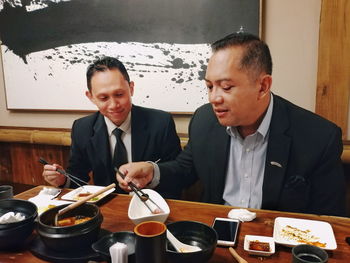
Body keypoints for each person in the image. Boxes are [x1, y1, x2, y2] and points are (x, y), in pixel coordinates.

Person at [117, 33, 346, 216]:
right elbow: (185, 169)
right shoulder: (205, 120)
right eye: (209, 86)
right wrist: (152, 172)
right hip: (216, 237)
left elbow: (329, 219)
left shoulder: (319, 137)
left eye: (226, 87)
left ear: (263, 86)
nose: (214, 98)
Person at [42, 56, 182, 196]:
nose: (114, 105)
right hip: (106, 208)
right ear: (91, 97)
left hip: (153, 207)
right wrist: (62, 179)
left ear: (131, 88)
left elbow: (177, 174)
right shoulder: (82, 128)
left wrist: (152, 173)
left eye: (119, 94)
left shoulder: (161, 122)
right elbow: (78, 178)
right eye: (103, 98)